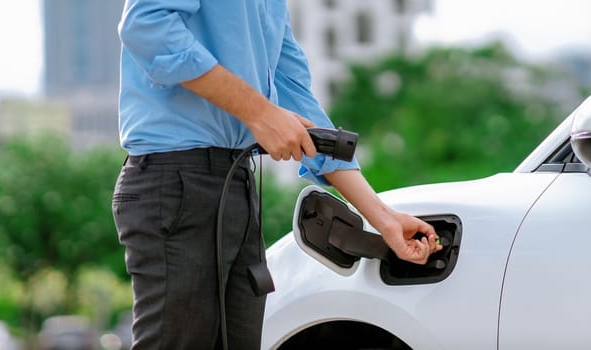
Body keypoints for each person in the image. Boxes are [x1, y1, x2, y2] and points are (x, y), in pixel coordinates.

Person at [111, 1, 442, 349]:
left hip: (236, 184)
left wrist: (384, 218)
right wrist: (259, 113)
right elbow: (146, 26)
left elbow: (296, 97)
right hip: (173, 182)